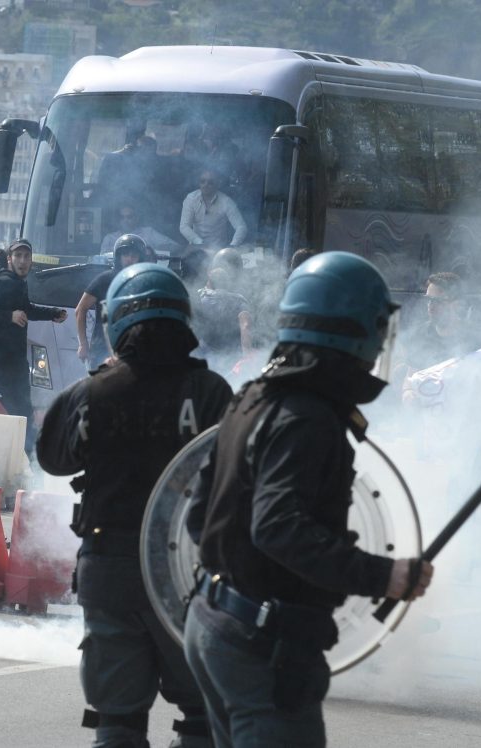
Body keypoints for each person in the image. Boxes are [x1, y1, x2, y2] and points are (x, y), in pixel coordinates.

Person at [183, 252, 434, 747]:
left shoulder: (253, 396)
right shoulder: (307, 418)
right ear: (352, 333)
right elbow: (277, 528)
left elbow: (199, 515)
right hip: (260, 642)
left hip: (214, 622)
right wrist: (385, 575)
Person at [38, 263, 232, 748]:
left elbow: (53, 459)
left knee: (117, 723)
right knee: (202, 717)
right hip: (187, 569)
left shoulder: (90, 393)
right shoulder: (210, 392)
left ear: (116, 321)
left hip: (111, 566)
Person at [0, 239, 66, 453]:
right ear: (9, 259)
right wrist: (8, 316)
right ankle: (27, 467)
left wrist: (52, 314)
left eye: (26, 257)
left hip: (1, 362)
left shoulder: (18, 283)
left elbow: (25, 310)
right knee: (19, 416)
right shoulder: (3, 281)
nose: (22, 261)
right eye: (18, 256)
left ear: (31, 260)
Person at [75, 234, 147, 365]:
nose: (130, 259)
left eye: (134, 256)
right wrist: (83, 344)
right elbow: (80, 309)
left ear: (140, 258)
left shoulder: (143, 283)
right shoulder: (104, 280)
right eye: (125, 255)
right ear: (118, 256)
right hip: (102, 352)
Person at [179, 169, 247, 250]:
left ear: (218, 184)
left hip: (218, 250)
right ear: (199, 182)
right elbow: (184, 226)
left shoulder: (226, 202)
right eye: (202, 181)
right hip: (195, 246)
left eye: (210, 182)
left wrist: (232, 246)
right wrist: (199, 242)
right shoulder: (191, 199)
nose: (205, 185)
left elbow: (241, 227)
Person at [100, 205, 179, 257]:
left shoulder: (149, 232)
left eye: (129, 217)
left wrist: (154, 249)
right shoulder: (109, 238)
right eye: (122, 217)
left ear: (136, 218)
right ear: (119, 220)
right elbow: (102, 258)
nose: (125, 220)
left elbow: (175, 247)